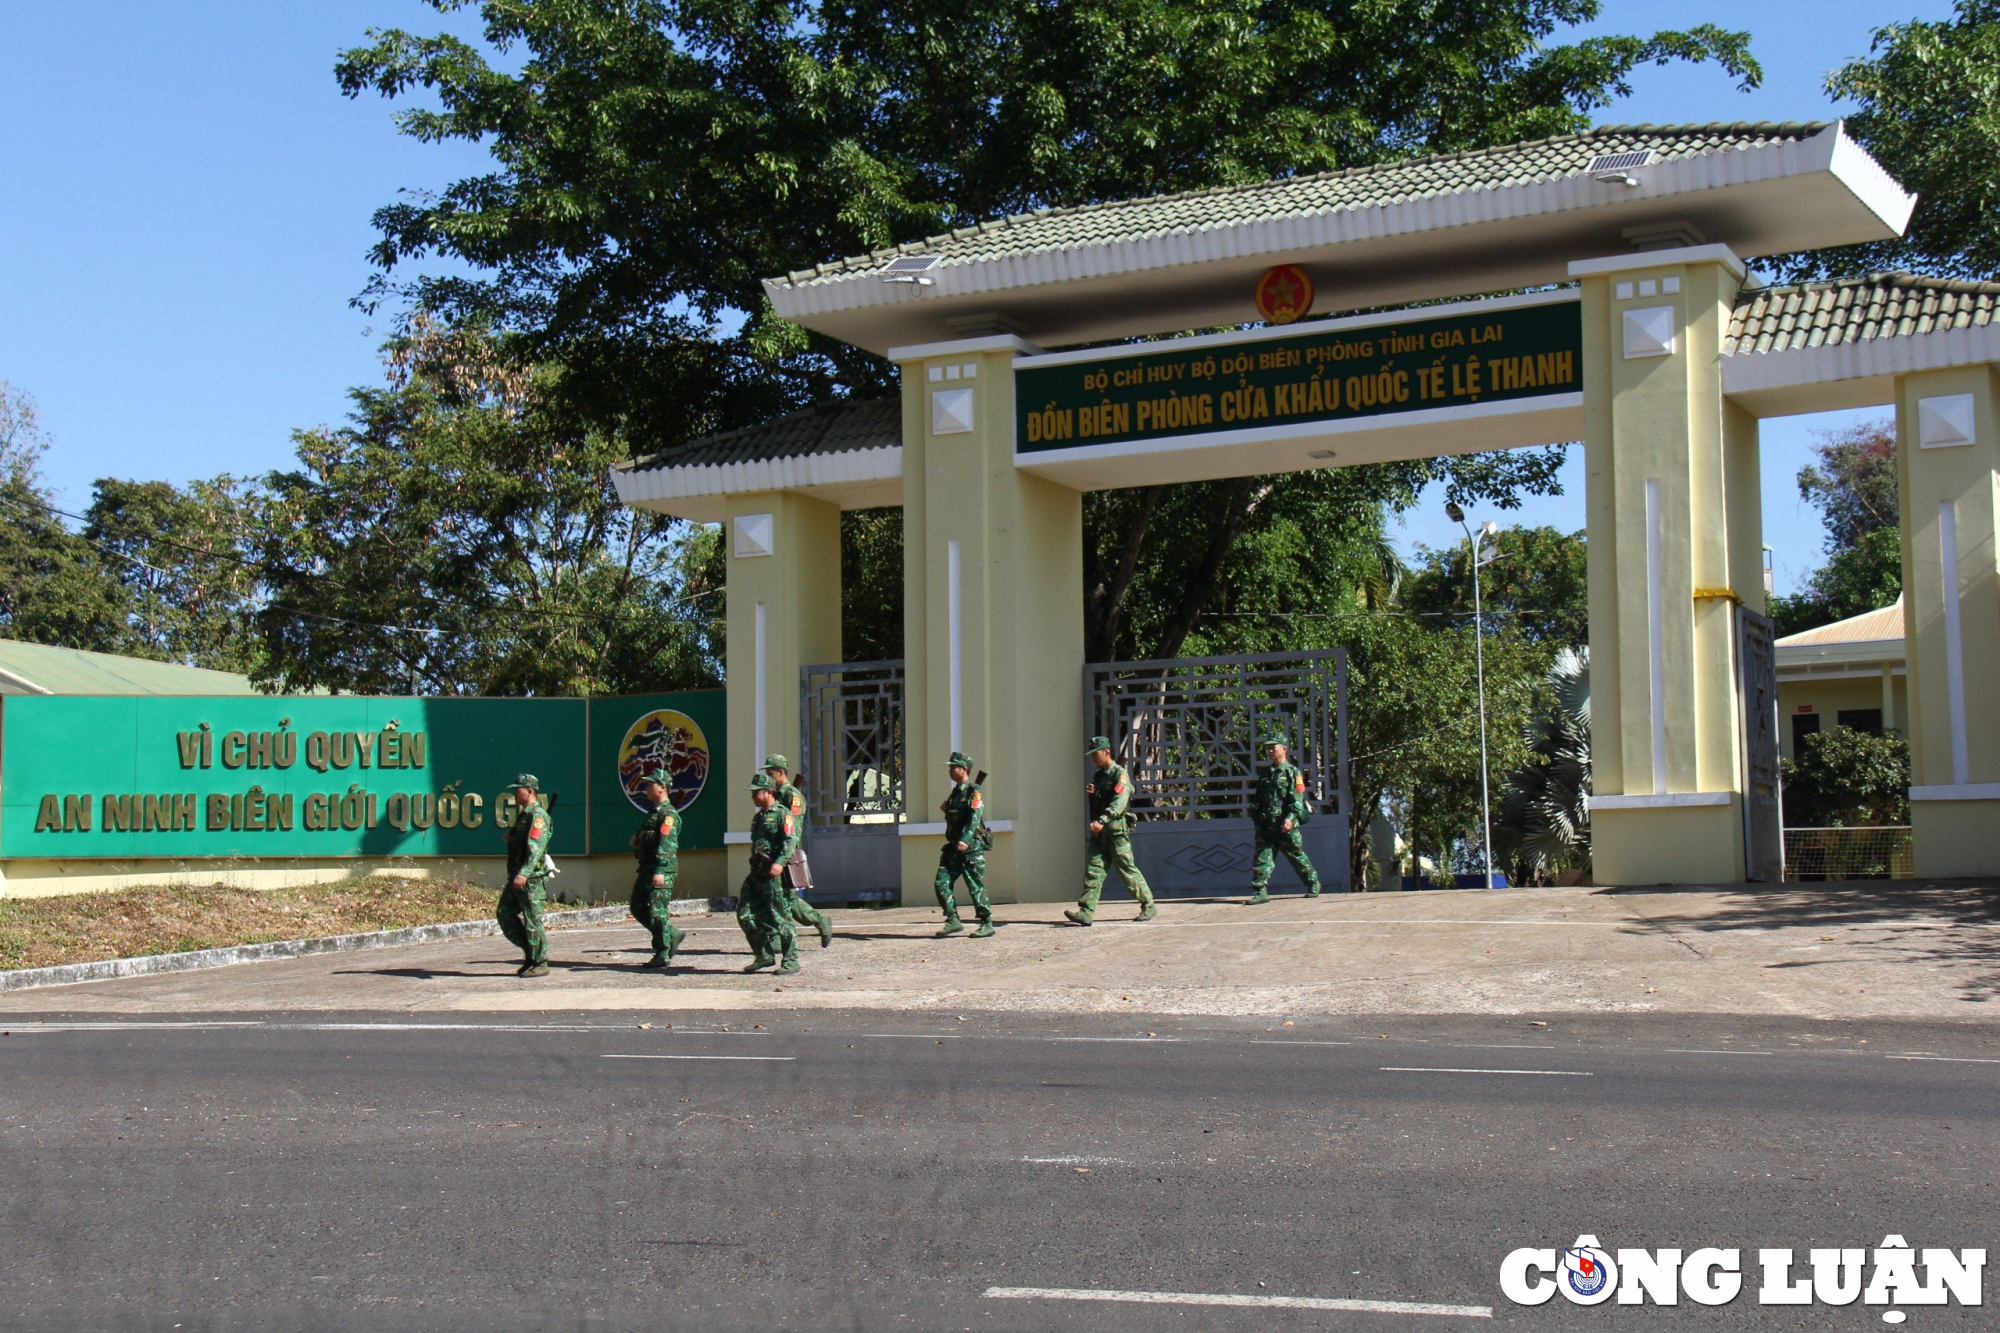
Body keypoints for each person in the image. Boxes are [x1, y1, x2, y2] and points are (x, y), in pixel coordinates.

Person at [1064, 736, 1157, 926]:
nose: (1092, 758)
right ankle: (1086, 911)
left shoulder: (1119, 774)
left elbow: (1119, 802)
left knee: (1126, 871)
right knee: (1093, 871)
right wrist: (1093, 795)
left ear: (1106, 752)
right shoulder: (1099, 776)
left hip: (1115, 833)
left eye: (1095, 754)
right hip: (1100, 834)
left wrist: (1102, 819)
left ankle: (1148, 904)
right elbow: (1100, 802)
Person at [762, 753, 834, 949]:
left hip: (784, 854)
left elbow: (793, 829)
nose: (768, 777)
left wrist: (783, 856)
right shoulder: (776, 794)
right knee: (777, 898)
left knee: (787, 900)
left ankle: (818, 921)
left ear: (781, 772)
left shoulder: (792, 797)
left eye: (771, 773)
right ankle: (777, 936)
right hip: (772, 854)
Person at [1247, 734, 1322, 903]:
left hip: (1285, 824)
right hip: (1267, 825)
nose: (1270, 750)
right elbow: (1258, 798)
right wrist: (1256, 816)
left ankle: (1313, 883)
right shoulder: (1266, 773)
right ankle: (1260, 891)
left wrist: (1290, 819)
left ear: (1284, 749)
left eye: (1274, 747)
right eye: (1269, 747)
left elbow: (1297, 799)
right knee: (1261, 857)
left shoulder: (1293, 772)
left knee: (1296, 856)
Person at [741, 772, 801, 973]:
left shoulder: (783, 814)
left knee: (779, 917)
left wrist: (780, 863)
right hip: (756, 873)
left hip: (773, 874)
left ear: (768, 792)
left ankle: (791, 960)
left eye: (756, 793)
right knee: (745, 914)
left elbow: (790, 840)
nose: (752, 796)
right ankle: (764, 955)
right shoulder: (759, 817)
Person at [498, 773, 555, 977]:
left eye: (517, 789)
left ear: (529, 791)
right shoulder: (524, 815)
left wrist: (524, 873)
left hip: (530, 878)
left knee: (532, 920)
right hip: (517, 875)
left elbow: (536, 848)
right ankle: (530, 953)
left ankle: (540, 961)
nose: (514, 793)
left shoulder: (537, 815)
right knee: (504, 913)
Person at [934, 750, 995, 938]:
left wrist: (965, 840)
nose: (950, 770)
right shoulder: (956, 793)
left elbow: (975, 818)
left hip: (970, 848)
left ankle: (987, 923)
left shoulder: (973, 791)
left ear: (964, 769)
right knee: (941, 882)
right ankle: (952, 919)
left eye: (954, 767)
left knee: (975, 885)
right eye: (950, 767)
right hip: (953, 847)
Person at [629, 767, 685, 966]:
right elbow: (642, 838)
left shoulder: (669, 815)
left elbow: (666, 845)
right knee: (637, 906)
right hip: (645, 868)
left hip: (660, 869)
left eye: (650, 784)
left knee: (657, 911)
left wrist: (660, 870)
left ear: (662, 788)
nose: (647, 787)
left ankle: (662, 952)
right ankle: (673, 933)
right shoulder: (653, 813)